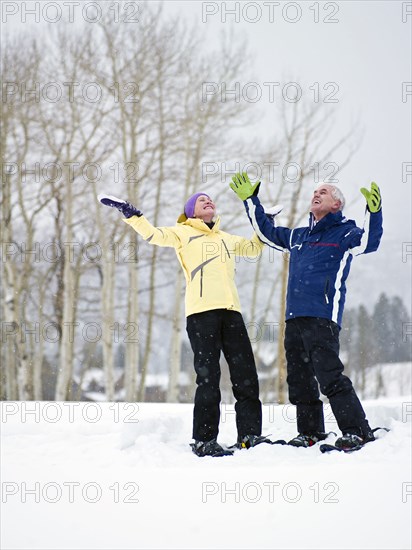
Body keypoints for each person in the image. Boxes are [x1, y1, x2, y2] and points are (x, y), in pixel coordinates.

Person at [99, 191, 271, 457]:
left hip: (231, 313)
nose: (209, 202)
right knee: (208, 378)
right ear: (191, 212)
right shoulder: (182, 232)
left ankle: (249, 435)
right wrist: (132, 214)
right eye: (202, 201)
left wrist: (264, 220)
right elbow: (153, 235)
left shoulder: (226, 238)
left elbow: (253, 247)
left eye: (211, 199)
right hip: (202, 314)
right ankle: (204, 440)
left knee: (246, 376)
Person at [229, 174, 383, 450]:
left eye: (323, 192)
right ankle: (311, 432)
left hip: (322, 316)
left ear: (336, 204)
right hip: (294, 318)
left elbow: (370, 242)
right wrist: (250, 200)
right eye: (315, 191)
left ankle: (357, 430)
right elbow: (267, 232)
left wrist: (374, 211)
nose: (316, 194)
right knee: (299, 380)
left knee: (329, 375)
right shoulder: (299, 236)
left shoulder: (345, 233)